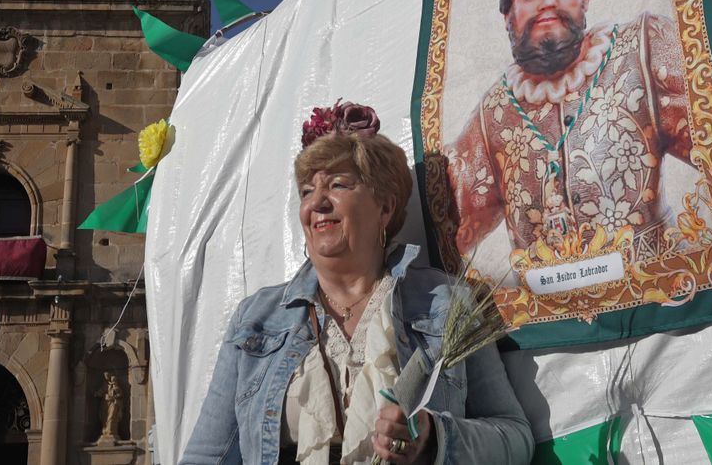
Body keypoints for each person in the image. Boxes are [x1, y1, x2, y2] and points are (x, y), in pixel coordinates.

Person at [182, 101, 532, 465]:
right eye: (305, 191)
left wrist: (434, 438)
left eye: (337, 184)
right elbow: (207, 455)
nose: (316, 202)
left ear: (385, 208)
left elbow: (515, 437)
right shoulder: (256, 318)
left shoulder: (446, 304)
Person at [446, 0, 695, 268]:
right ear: (508, 14)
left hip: (661, 310)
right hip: (553, 323)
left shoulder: (643, 50)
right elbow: (450, 220)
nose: (548, 1)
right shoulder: (491, 114)